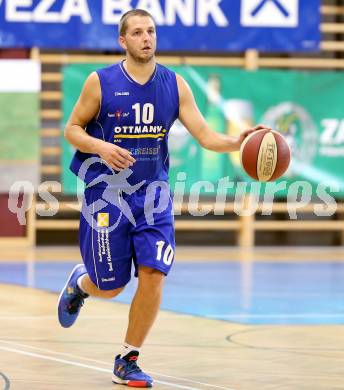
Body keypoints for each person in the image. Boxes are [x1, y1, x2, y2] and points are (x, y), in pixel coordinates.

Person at [58, 8, 267, 388]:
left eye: (150, 31)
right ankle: (81, 284)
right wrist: (101, 147)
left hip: (153, 197)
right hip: (106, 196)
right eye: (137, 32)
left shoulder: (174, 84)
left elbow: (206, 136)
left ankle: (128, 358)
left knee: (154, 274)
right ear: (123, 41)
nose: (146, 38)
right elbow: (72, 129)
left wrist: (239, 141)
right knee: (112, 286)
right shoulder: (100, 82)